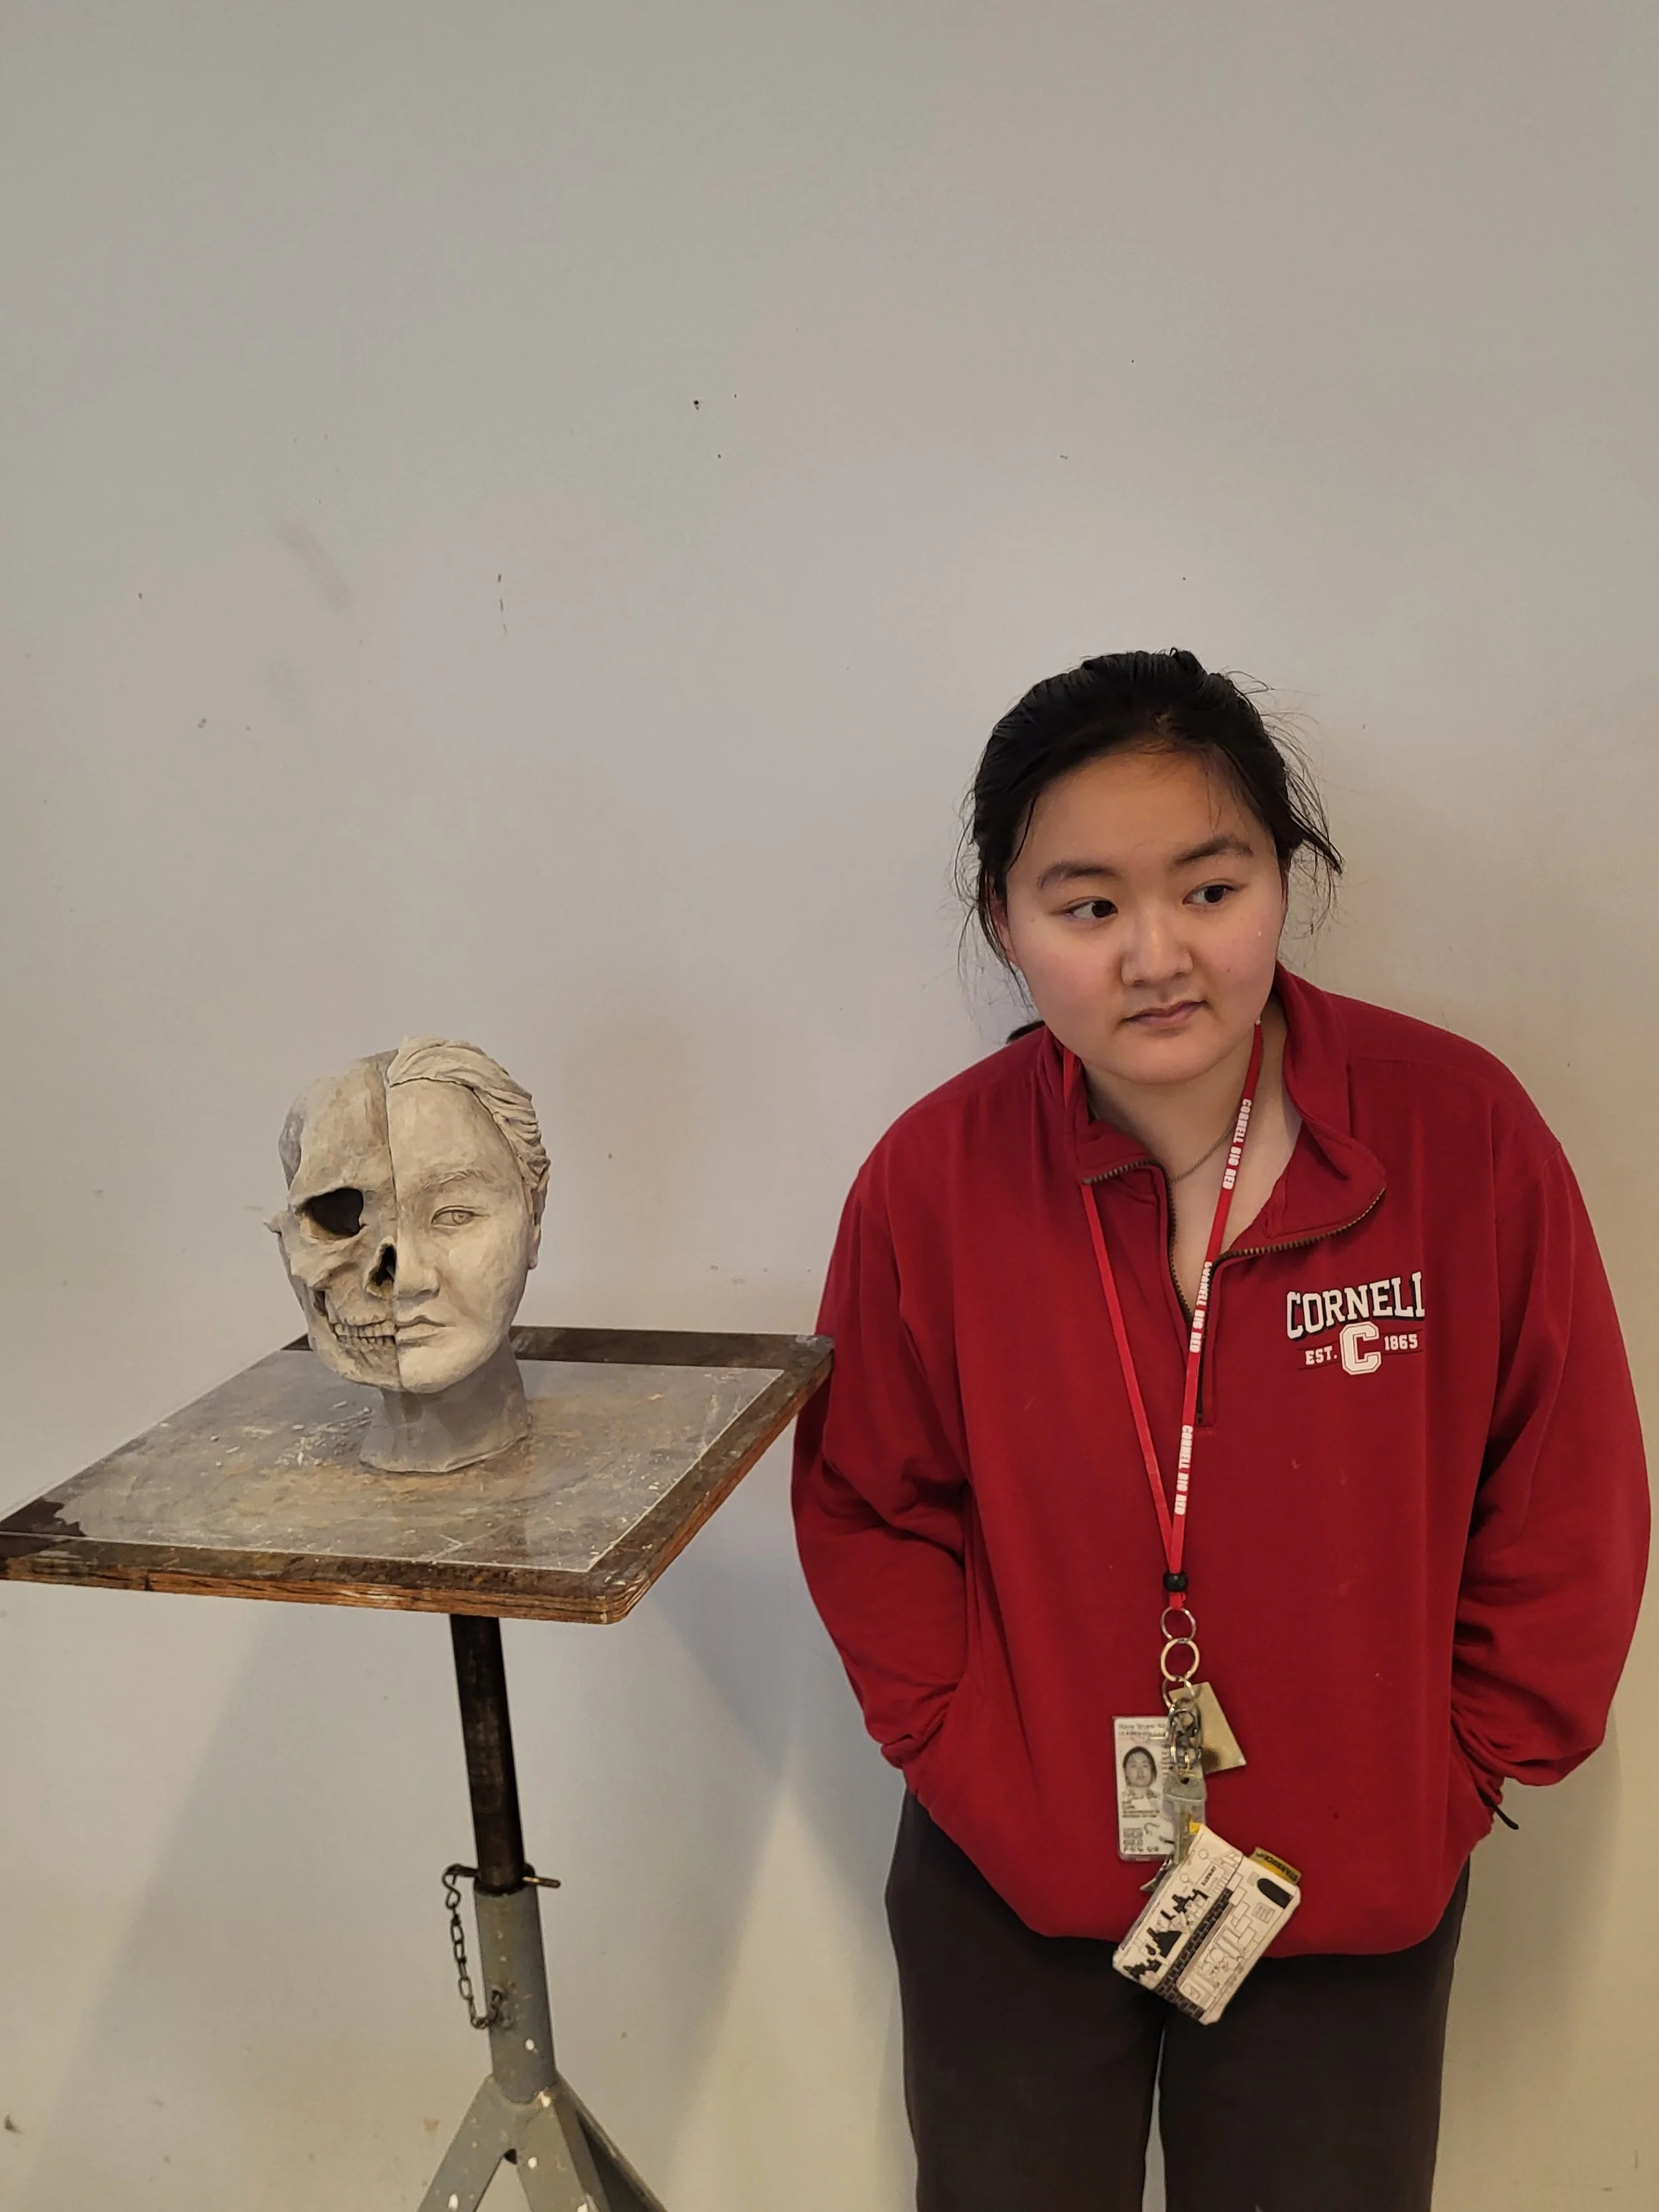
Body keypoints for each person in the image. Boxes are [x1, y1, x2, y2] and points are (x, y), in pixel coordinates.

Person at [791, 649, 1648, 2212]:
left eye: (1208, 883)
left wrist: (1450, 1776)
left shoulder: (1456, 1135)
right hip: (1012, 1882)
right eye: (1087, 903)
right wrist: (968, 1759)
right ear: (1004, 922)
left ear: (1282, 880)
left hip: (1344, 1890)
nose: (1155, 954)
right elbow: (869, 1504)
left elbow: (1564, 1486)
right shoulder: (933, 1179)